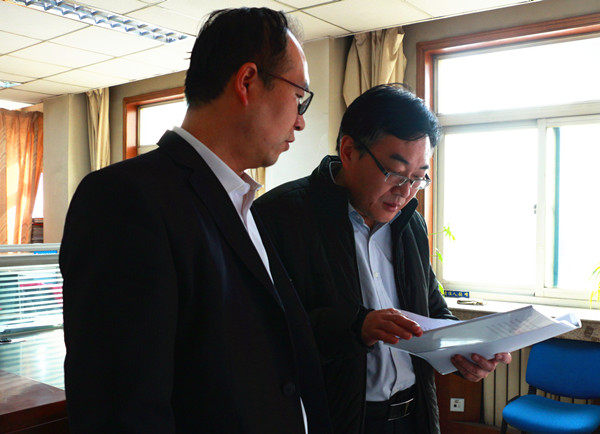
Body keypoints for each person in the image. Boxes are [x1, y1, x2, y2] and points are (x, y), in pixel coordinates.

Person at [59, 7, 332, 433]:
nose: (300, 120)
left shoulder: (241, 202)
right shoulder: (125, 199)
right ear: (247, 81)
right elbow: (121, 408)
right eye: (299, 97)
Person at [254, 84, 511, 434]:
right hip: (335, 420)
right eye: (394, 172)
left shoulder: (410, 224)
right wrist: (356, 327)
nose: (405, 192)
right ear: (349, 151)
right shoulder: (280, 217)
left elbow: (432, 308)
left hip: (412, 416)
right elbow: (263, 335)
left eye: (418, 178)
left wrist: (466, 349)